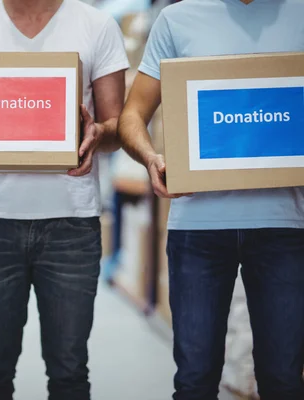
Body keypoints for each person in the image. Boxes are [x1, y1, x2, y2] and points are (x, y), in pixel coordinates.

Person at [0, 1, 128, 398]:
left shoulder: (96, 26)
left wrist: (97, 133)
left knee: (69, 372)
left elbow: (116, 128)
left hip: (72, 224)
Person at [118, 0, 304, 399]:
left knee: (284, 381)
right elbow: (132, 113)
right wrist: (151, 158)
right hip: (197, 230)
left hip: (285, 227)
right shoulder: (178, 19)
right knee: (195, 382)